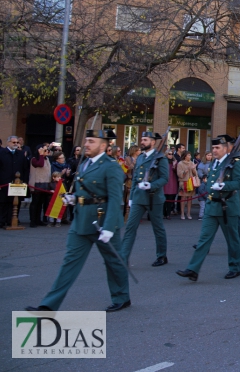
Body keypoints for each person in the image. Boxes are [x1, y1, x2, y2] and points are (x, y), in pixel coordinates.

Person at [26, 129, 130, 312]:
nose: (87, 144)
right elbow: (85, 191)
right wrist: (74, 198)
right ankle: (48, 306)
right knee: (69, 264)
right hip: (81, 220)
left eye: (92, 141)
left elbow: (115, 198)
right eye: (87, 140)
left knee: (114, 261)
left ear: (103, 145)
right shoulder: (84, 164)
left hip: (102, 221)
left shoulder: (111, 166)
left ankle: (122, 296)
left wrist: (109, 227)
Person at [177, 135, 240, 282]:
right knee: (203, 239)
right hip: (212, 206)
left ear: (226, 149)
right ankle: (193, 269)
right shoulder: (214, 162)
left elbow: (239, 182)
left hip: (227, 207)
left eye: (217, 147)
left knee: (232, 239)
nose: (214, 150)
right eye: (213, 147)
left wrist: (224, 186)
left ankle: (234, 267)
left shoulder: (236, 162)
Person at [121, 132, 170, 267]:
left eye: (145, 140)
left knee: (157, 228)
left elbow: (164, 178)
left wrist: (151, 185)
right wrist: (131, 197)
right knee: (130, 227)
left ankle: (161, 255)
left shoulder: (161, 158)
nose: (142, 142)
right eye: (142, 139)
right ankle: (123, 257)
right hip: (138, 197)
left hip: (154, 198)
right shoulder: (141, 157)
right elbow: (136, 178)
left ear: (153, 142)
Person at [29, 144, 52, 227]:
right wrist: (41, 155)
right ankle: (32, 220)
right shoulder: (34, 159)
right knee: (35, 203)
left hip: (45, 184)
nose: (47, 152)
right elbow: (40, 164)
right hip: (36, 183)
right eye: (45, 150)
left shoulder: (47, 159)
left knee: (41, 203)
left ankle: (38, 220)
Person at [177, 151, 197, 219]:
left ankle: (188, 213)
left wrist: (193, 169)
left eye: (190, 155)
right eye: (188, 155)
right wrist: (187, 169)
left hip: (191, 182)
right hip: (183, 182)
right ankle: (182, 213)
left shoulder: (192, 163)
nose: (190, 156)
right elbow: (179, 174)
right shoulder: (180, 163)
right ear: (185, 156)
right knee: (183, 198)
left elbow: (195, 174)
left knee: (190, 198)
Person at [196, 151, 213, 219]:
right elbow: (199, 173)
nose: (209, 156)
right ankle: (202, 215)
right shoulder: (202, 164)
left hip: (212, 182)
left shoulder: (214, 163)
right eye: (208, 155)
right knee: (203, 202)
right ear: (205, 156)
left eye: (210, 155)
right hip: (204, 181)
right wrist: (204, 177)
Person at [163, 150, 178, 218]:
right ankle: (164, 213)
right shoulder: (163, 162)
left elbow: (177, 171)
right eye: (169, 154)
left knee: (171, 199)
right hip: (165, 182)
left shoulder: (174, 162)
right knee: (164, 199)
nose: (170, 155)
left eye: (171, 154)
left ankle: (168, 213)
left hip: (172, 182)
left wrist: (174, 166)